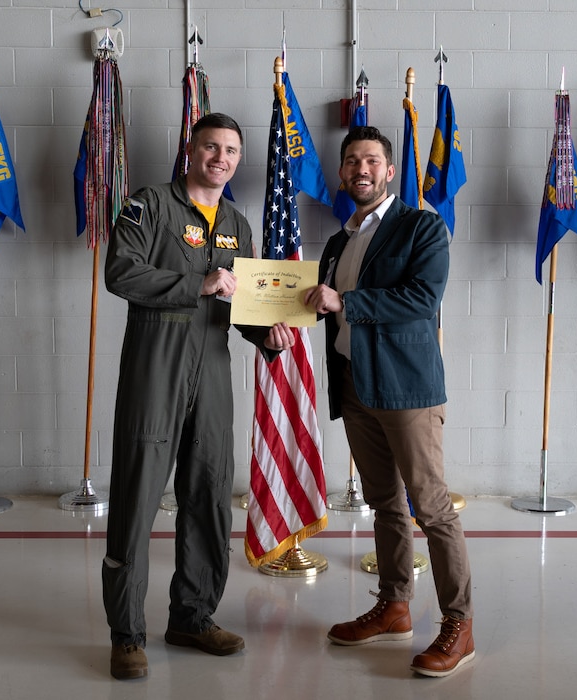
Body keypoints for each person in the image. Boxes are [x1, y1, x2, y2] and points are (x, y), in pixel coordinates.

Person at [102, 112, 296, 680]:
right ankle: (126, 634)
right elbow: (121, 272)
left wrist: (268, 335)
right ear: (191, 150)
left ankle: (192, 615)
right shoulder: (149, 205)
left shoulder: (237, 222)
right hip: (154, 373)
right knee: (137, 500)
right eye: (212, 147)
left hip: (210, 374)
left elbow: (243, 306)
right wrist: (197, 283)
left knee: (210, 493)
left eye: (232, 151)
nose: (222, 158)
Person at [304, 125, 474, 677]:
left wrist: (344, 299)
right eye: (351, 161)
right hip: (356, 385)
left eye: (371, 161)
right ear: (342, 171)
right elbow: (324, 306)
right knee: (384, 503)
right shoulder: (338, 240)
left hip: (406, 389)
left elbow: (422, 298)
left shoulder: (422, 226)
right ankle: (395, 606)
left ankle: (459, 623)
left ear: (390, 170)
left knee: (431, 507)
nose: (361, 170)